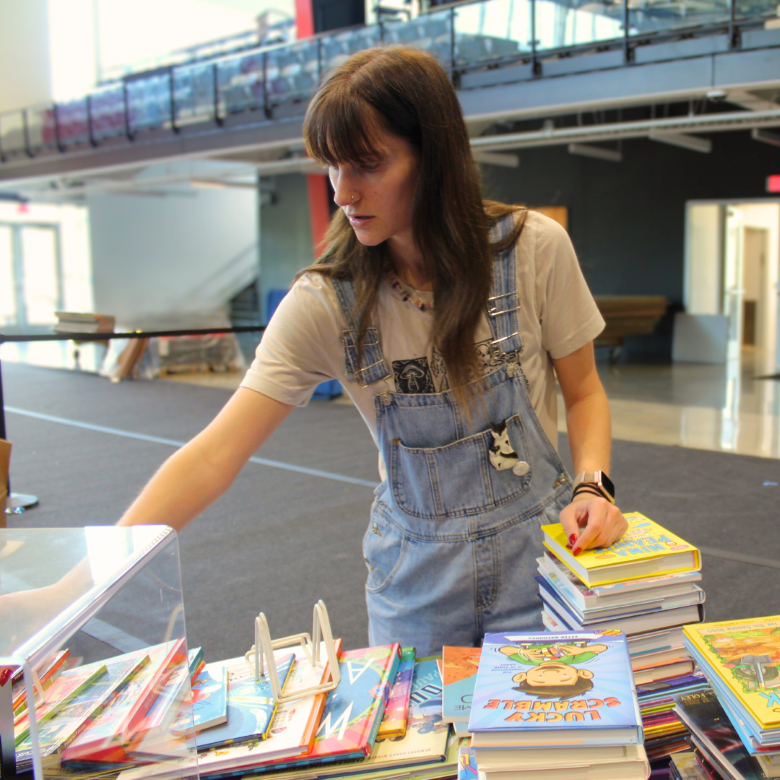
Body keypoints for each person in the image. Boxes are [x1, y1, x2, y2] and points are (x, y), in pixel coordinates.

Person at [114, 46, 627, 656]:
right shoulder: (325, 302)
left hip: (543, 565)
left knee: (546, 738)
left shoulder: (532, 249)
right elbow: (212, 456)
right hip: (415, 589)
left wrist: (593, 487)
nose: (342, 193)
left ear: (432, 158)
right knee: (418, 746)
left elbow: (585, 391)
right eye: (331, 166)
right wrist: (89, 577)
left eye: (367, 165)